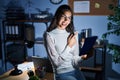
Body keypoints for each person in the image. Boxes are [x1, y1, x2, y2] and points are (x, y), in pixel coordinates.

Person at [44, 4, 87, 80]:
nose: (66, 20)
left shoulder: (72, 34)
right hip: (61, 74)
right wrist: (69, 46)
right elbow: (56, 63)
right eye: (64, 17)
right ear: (57, 16)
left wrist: (83, 57)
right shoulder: (49, 35)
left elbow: (75, 60)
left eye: (69, 18)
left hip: (75, 71)